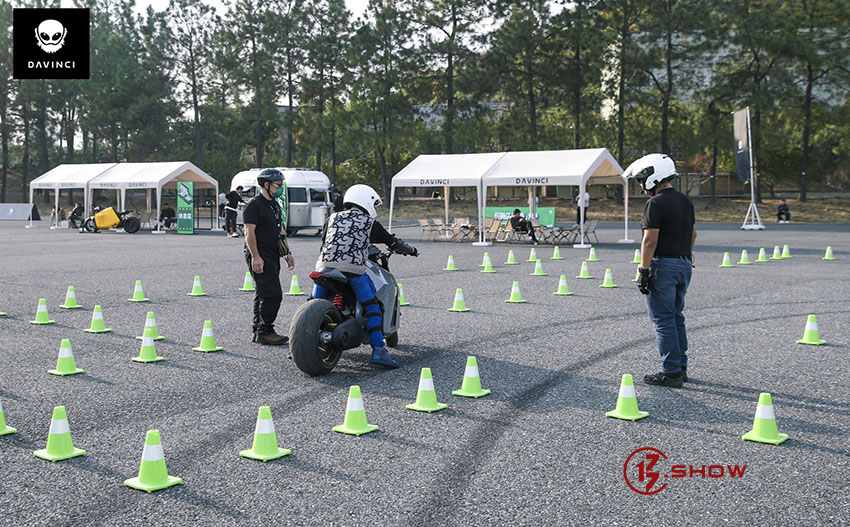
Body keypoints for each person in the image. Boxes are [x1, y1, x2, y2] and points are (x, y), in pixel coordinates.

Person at [312, 184, 419, 368]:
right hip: (351, 269)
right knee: (373, 306)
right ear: (367, 201)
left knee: (312, 303)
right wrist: (411, 250)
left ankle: (300, 343)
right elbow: (393, 242)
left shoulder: (332, 218)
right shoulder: (369, 223)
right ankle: (379, 350)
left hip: (323, 267)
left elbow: (325, 243)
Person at [624, 153, 696, 389]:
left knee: (663, 320)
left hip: (663, 265)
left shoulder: (655, 203)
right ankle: (681, 366)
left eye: (642, 179)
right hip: (684, 264)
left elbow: (649, 241)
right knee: (676, 317)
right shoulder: (685, 201)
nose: (642, 185)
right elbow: (693, 234)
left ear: (653, 177)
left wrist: (644, 270)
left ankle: (671, 372)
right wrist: (684, 257)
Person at [244, 169, 295, 345]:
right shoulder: (254, 204)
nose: (280, 188)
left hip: (273, 252)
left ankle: (258, 329)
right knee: (273, 294)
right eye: (278, 185)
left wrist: (287, 252)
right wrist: (256, 257)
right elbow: (248, 233)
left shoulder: (274, 204)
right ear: (266, 185)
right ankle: (265, 331)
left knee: (262, 292)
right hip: (260, 252)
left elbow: (280, 230)